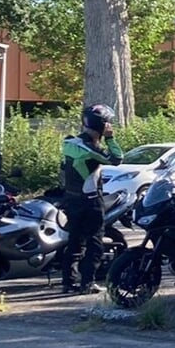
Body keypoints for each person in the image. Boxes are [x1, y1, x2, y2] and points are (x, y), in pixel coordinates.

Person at [59, 105, 121, 293]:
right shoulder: (90, 148)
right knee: (94, 242)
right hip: (90, 200)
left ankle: (68, 283)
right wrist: (110, 138)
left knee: (74, 241)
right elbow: (117, 158)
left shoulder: (70, 143)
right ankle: (87, 283)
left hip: (70, 198)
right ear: (102, 125)